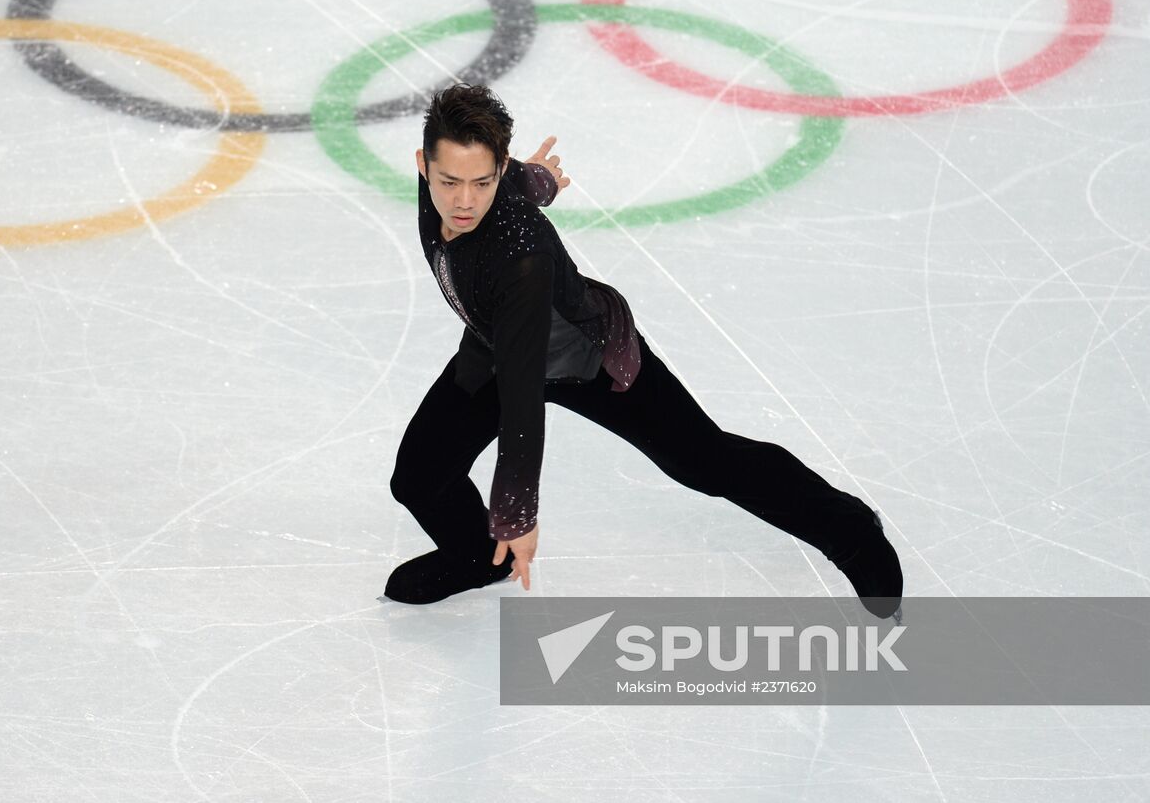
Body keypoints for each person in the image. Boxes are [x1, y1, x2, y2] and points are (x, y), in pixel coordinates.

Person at [382, 83, 903, 621]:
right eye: (450, 181)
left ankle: (851, 530)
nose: (464, 200)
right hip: (496, 345)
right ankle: (477, 554)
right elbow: (507, 183)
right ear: (424, 165)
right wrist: (535, 179)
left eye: (482, 182)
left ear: (497, 169)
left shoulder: (521, 258)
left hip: (587, 360)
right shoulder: (458, 183)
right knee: (419, 476)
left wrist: (516, 514)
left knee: (703, 460)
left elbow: (521, 399)